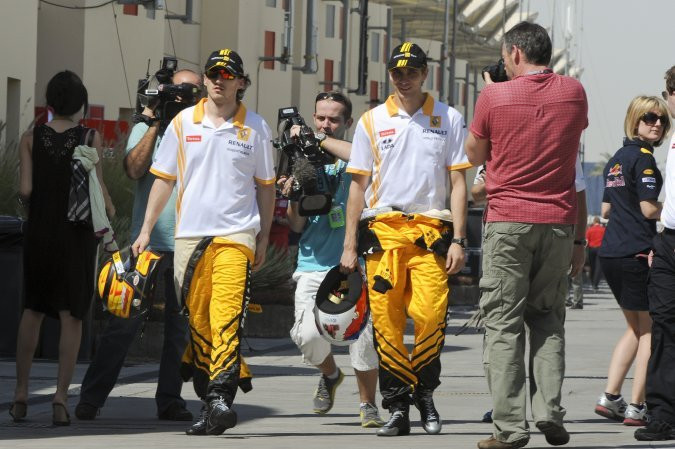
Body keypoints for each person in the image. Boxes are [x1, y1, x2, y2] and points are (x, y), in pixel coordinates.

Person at [131, 48, 275, 436]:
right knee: (198, 323)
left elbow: (266, 188)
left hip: (235, 237)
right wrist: (145, 230)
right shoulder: (182, 123)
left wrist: (260, 236)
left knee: (226, 317)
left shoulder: (257, 127)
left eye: (227, 74)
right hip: (189, 238)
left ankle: (220, 397)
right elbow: (163, 179)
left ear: (241, 83)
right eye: (213, 73)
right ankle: (211, 402)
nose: (218, 79)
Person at [465, 22, 588, 449]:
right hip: (557, 222)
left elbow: (475, 154)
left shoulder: (494, 95)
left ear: (516, 52)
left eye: (504, 56)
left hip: (508, 220)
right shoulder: (574, 92)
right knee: (548, 320)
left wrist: (492, 92)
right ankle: (550, 411)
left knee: (503, 325)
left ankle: (510, 428)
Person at [340, 42, 471, 437]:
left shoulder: (448, 118)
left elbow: (458, 181)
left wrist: (459, 239)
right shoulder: (371, 120)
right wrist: (349, 244)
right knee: (387, 323)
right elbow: (357, 187)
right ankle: (397, 407)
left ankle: (425, 394)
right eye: (397, 71)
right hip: (382, 235)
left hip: (431, 234)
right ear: (390, 74)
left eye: (411, 71)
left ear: (425, 74)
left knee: (431, 317)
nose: (404, 78)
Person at [75, 69, 202, 422]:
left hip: (189, 242)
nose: (183, 97)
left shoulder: (203, 128)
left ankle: (169, 400)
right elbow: (133, 170)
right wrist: (156, 124)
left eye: (191, 91)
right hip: (148, 243)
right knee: (123, 321)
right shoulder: (148, 127)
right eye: (177, 91)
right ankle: (91, 397)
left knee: (180, 330)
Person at [11, 70, 115, 426]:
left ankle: (21, 393)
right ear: (80, 104)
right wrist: (110, 211)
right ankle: (59, 397)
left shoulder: (30, 138)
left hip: (41, 233)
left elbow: (25, 190)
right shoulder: (90, 136)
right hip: (77, 236)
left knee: (33, 310)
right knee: (73, 317)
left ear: (50, 103)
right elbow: (98, 188)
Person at [279, 91, 383, 428]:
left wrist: (318, 139)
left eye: (334, 119)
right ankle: (330, 374)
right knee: (305, 336)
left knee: (362, 340)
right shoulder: (301, 159)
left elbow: (362, 157)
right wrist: (294, 195)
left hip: (355, 261)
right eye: (320, 118)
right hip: (312, 262)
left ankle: (368, 405)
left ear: (347, 123)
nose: (325, 124)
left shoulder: (352, 153)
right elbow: (296, 224)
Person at [596, 95, 669, 428]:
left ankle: (611, 397)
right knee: (650, 331)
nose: (656, 124)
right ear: (635, 120)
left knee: (634, 328)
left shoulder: (616, 159)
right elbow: (649, 209)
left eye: (662, 120)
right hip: (637, 251)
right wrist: (667, 205)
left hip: (610, 253)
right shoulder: (644, 160)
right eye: (649, 118)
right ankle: (637, 405)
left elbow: (607, 210)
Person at [636, 65, 675, 442]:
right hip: (668, 241)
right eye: (671, 91)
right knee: (662, 323)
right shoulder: (672, 135)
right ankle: (662, 412)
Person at [586, 216, 605, 291]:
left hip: (591, 249)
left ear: (594, 222)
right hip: (600, 249)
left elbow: (587, 240)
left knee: (592, 266)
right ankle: (595, 284)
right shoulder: (603, 230)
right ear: (599, 222)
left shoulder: (590, 230)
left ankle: (592, 281)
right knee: (598, 267)